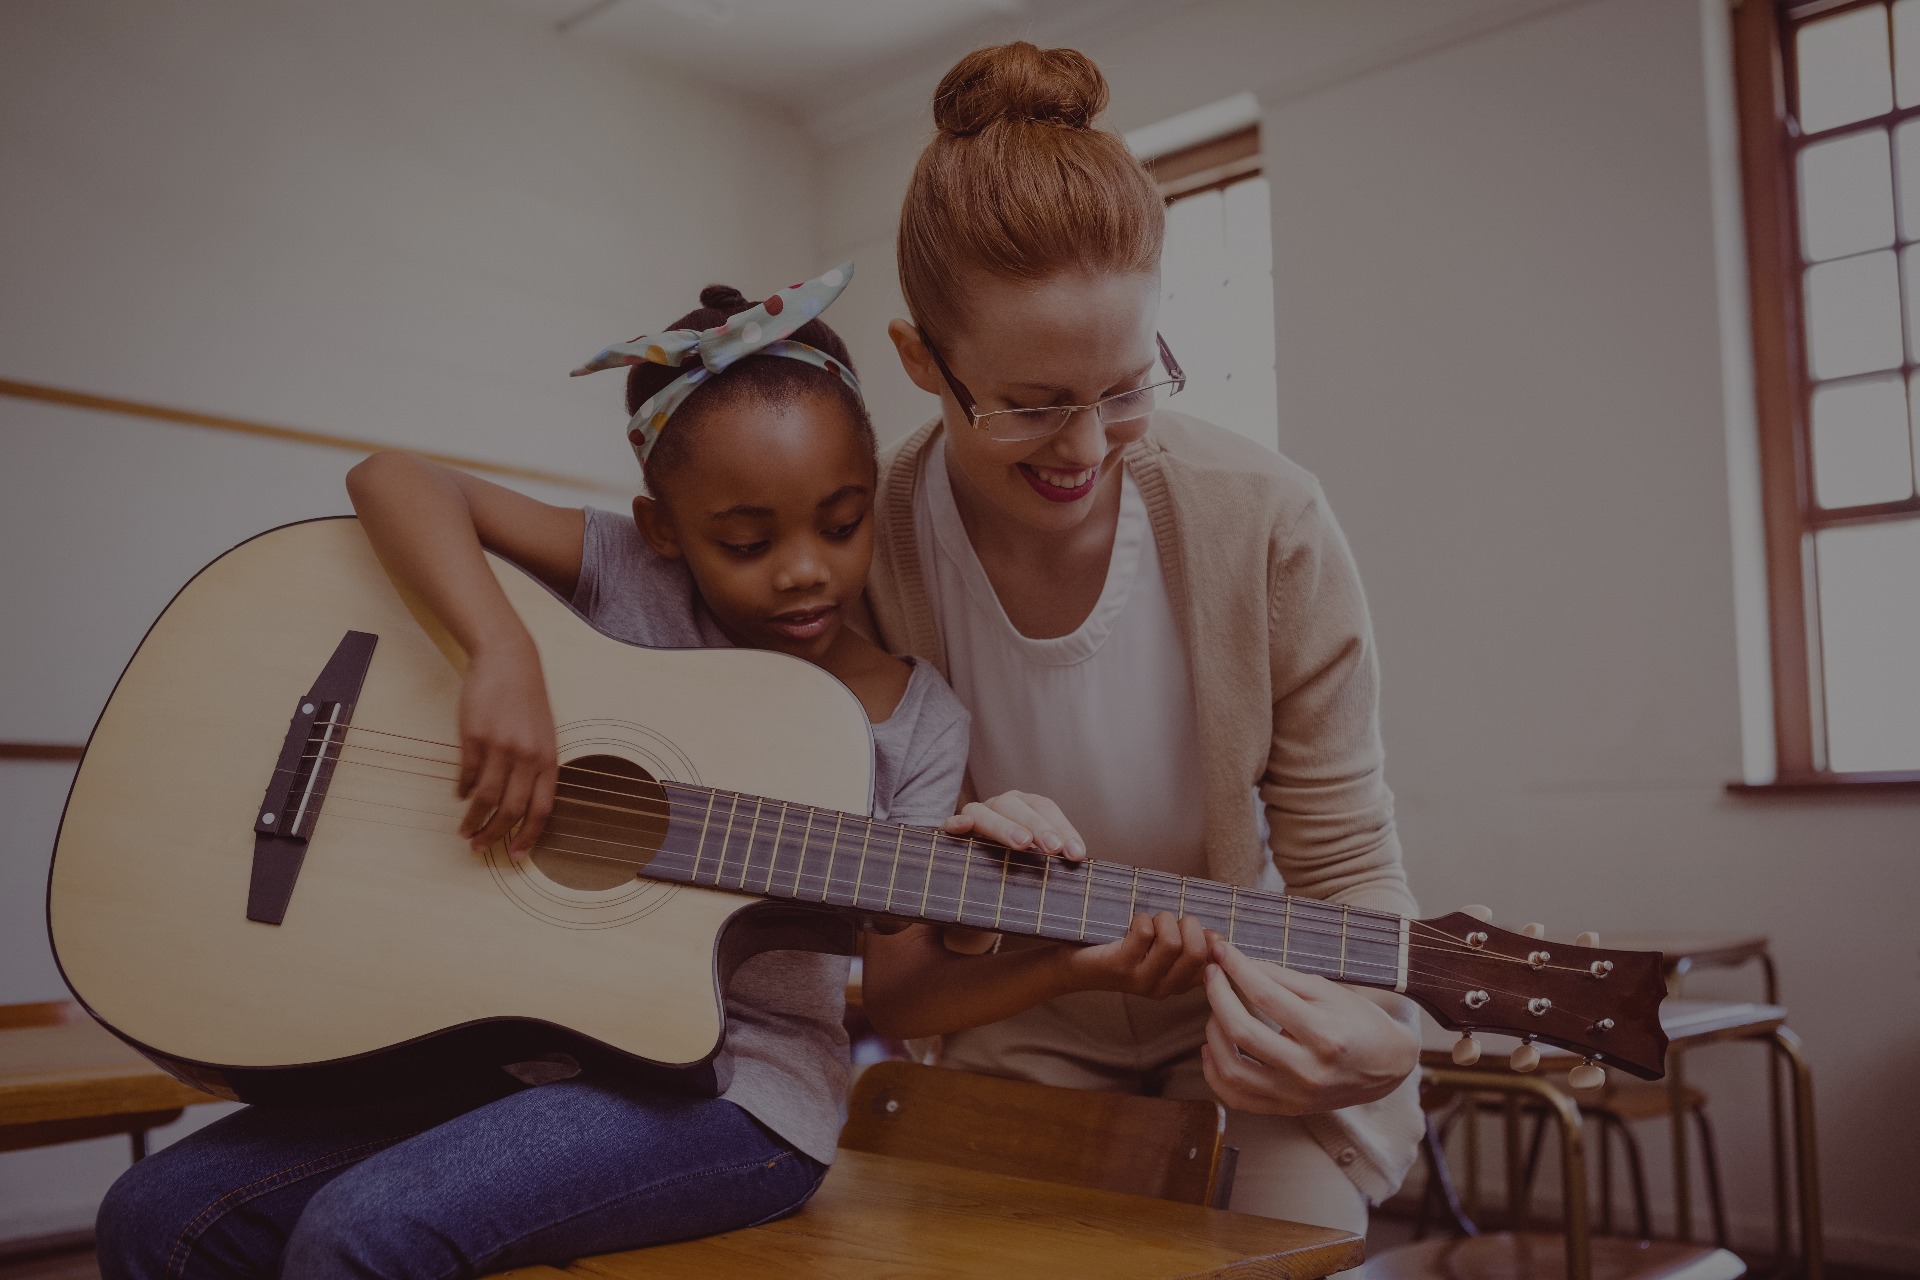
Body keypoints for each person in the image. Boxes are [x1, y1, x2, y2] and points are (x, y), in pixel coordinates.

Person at [96, 264, 972, 1279]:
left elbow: (903, 998)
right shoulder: (629, 574)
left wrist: (1069, 957)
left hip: (740, 1098)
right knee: (155, 1213)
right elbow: (392, 477)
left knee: (364, 1230)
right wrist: (498, 648)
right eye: (745, 540)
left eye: (843, 523)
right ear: (664, 529)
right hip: (519, 1050)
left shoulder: (918, 722)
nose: (805, 567)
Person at [856, 43, 1424, 1234]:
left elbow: (1344, 863)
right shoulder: (869, 547)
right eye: (1030, 404)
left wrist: (1377, 1032)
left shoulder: (1269, 522)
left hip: (1247, 1000)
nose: (1083, 448)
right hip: (1017, 1009)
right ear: (919, 360)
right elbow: (895, 924)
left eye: (1127, 388)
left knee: (1279, 1245)